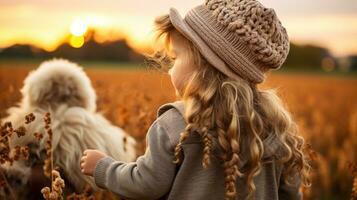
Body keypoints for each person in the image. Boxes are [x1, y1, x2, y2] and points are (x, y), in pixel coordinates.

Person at [80, 0, 311, 199]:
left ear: (203, 67)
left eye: (175, 58)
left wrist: (103, 167)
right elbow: (291, 194)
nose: (170, 69)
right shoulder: (275, 127)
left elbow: (146, 185)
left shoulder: (176, 124)